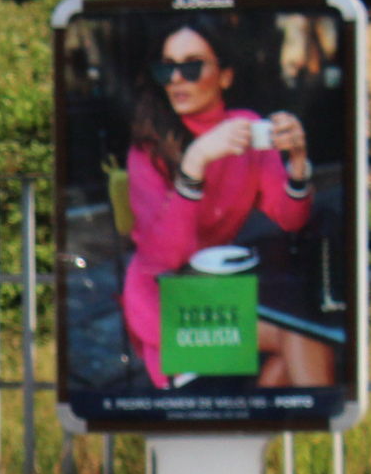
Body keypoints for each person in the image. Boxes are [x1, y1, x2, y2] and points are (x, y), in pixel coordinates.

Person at [123, 21, 330, 388]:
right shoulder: (146, 151)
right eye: (165, 67)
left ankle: (268, 434)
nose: (175, 78)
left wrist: (298, 165)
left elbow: (290, 217)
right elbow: (168, 257)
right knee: (302, 336)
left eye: (190, 66)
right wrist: (195, 161)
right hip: (165, 303)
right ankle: (321, 441)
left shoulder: (247, 129)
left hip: (221, 293)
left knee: (292, 354)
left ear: (225, 76)